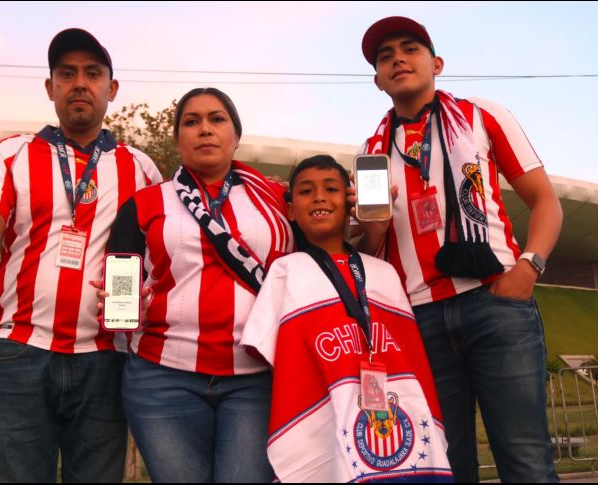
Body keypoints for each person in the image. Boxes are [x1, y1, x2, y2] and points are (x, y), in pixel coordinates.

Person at [0, 28, 161, 482]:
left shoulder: (141, 167)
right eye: (66, 74)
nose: (79, 83)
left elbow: (161, 260)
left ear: (112, 88)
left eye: (92, 73)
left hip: (107, 356)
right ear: (51, 88)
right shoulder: (13, 153)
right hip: (22, 353)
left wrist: (143, 297)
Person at [355, 16, 563, 482]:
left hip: (495, 302)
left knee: (525, 457)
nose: (397, 59)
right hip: (420, 318)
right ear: (377, 80)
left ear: (437, 63)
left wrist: (528, 268)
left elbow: (545, 199)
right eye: (384, 57)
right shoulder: (370, 151)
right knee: (446, 465)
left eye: (410, 49)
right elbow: (372, 247)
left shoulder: (481, 115)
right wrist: (375, 223)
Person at [106, 87, 293, 483]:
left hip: (255, 380)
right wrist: (121, 305)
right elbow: (120, 291)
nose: (204, 129)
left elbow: (322, 262)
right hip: (161, 378)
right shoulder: (143, 203)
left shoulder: (280, 200)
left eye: (216, 119)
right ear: (178, 140)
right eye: (191, 122)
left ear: (236, 136)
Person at [241, 155, 453, 483]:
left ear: (350, 201)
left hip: (394, 408)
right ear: (291, 209)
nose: (320, 197)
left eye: (332, 189)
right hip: (321, 409)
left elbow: (412, 360)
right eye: (306, 191)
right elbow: (276, 359)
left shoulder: (384, 273)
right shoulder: (286, 270)